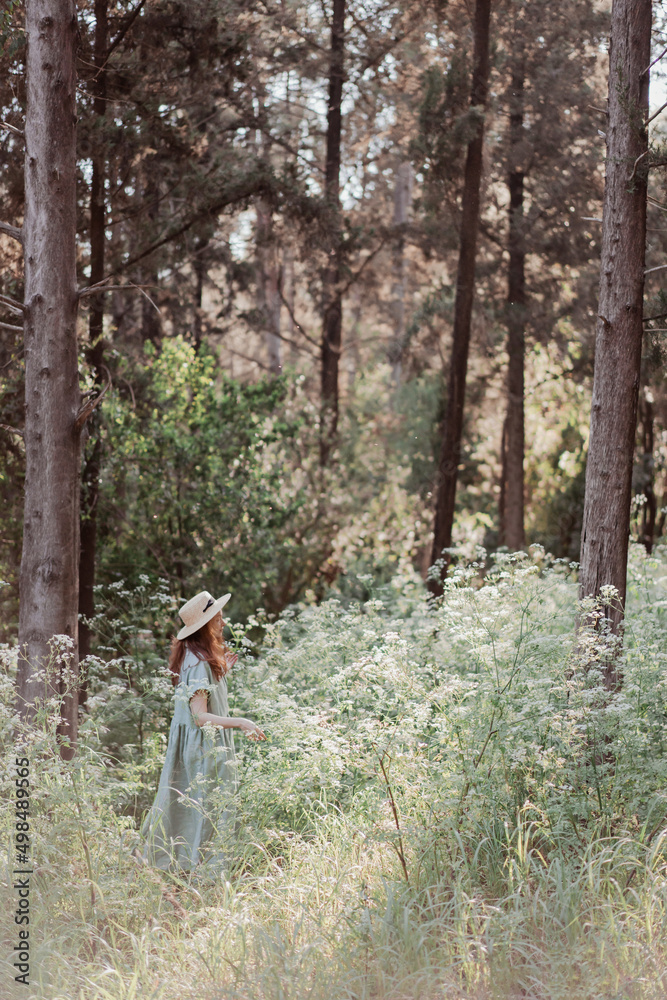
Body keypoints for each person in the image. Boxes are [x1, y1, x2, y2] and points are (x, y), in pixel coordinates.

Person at [141, 589, 266, 873]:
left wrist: (220, 675)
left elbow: (200, 698)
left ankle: (185, 864)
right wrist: (241, 721)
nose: (222, 623)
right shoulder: (198, 662)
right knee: (203, 805)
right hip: (202, 745)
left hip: (198, 742)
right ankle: (201, 870)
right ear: (204, 626)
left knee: (191, 803)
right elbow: (199, 717)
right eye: (218, 618)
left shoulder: (196, 656)